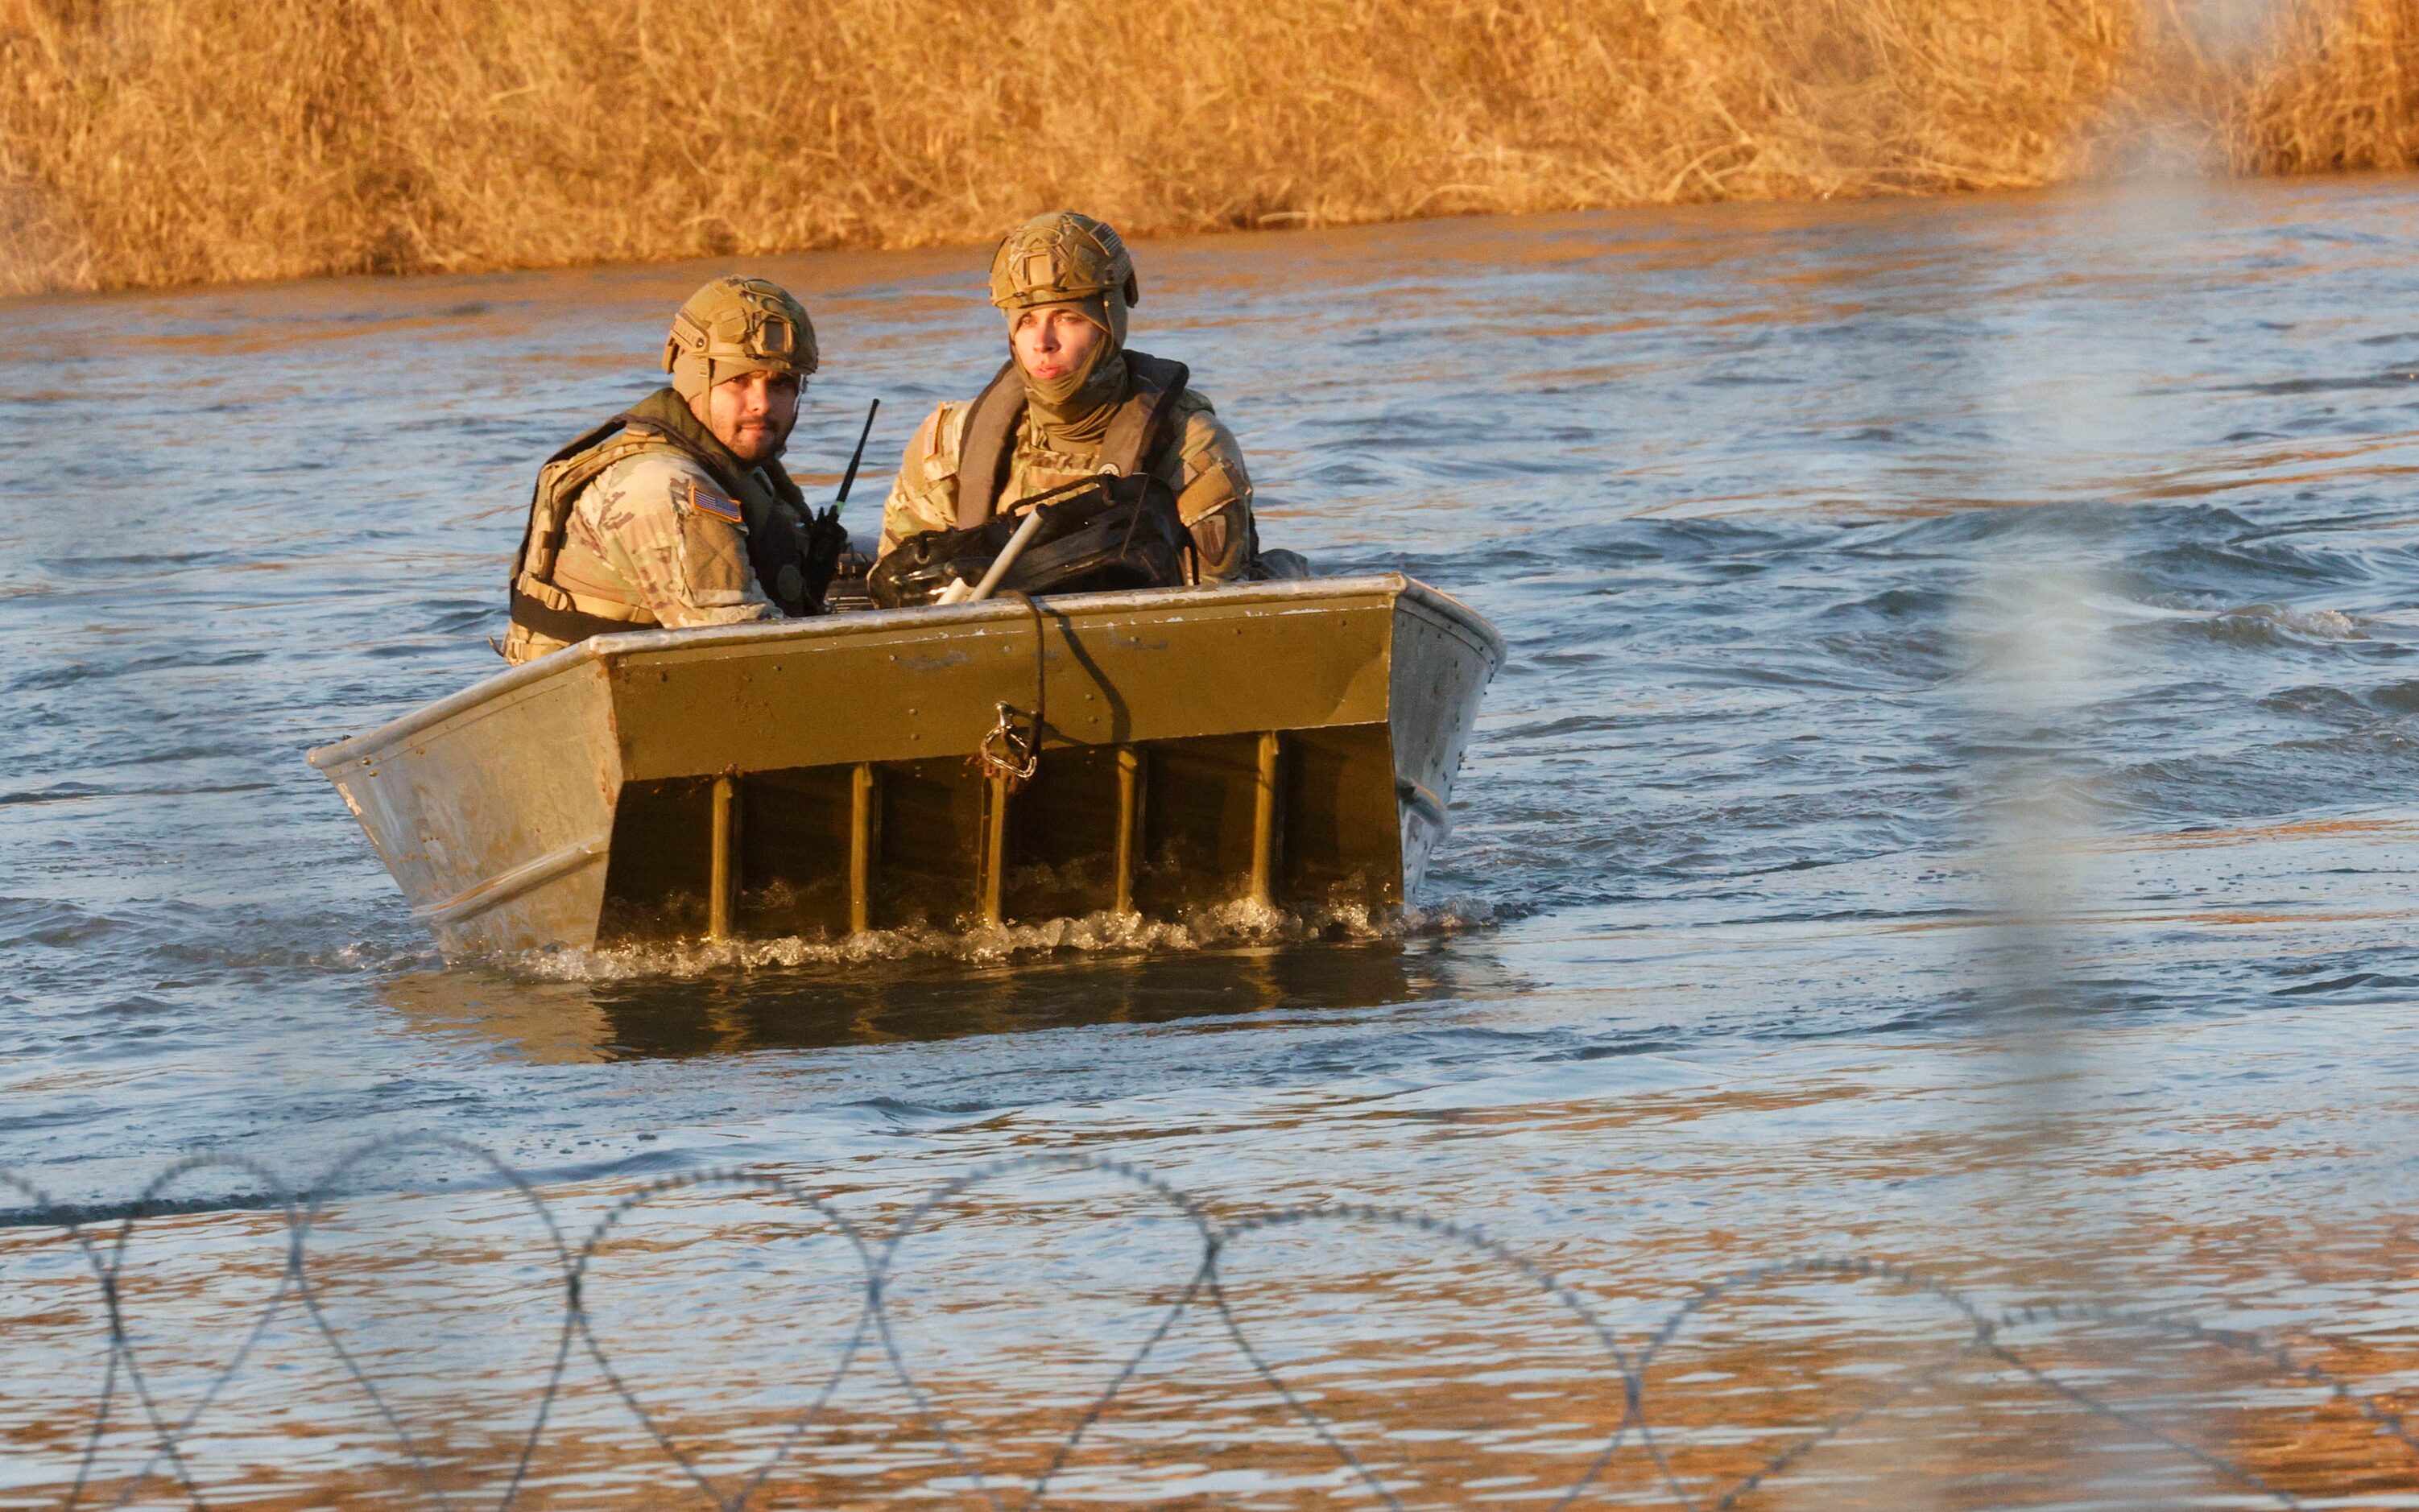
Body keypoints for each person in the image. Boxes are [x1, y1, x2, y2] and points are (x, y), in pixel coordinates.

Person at [879, 211, 1300, 585]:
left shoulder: (1187, 445)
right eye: (1026, 322)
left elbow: (1216, 607)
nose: (1043, 342)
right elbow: (892, 607)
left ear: (1108, 323)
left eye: (1067, 317)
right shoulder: (951, 445)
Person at [500, 275, 843, 664]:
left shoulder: (735, 466)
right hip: (602, 704)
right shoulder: (667, 485)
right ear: (699, 381)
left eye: (780, 384)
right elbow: (745, 649)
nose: (761, 404)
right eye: (740, 381)